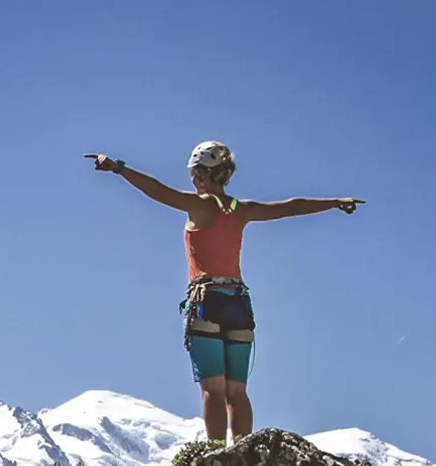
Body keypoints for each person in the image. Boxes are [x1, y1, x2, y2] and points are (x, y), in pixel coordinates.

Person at [85, 141, 364, 444]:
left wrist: (119, 168)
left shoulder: (198, 205)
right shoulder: (240, 210)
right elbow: (290, 206)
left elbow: (157, 191)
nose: (192, 179)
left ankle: (217, 456)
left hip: (207, 302)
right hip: (238, 304)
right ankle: (244, 456)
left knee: (213, 389)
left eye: (194, 174)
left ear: (203, 175)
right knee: (237, 392)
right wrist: (335, 201)